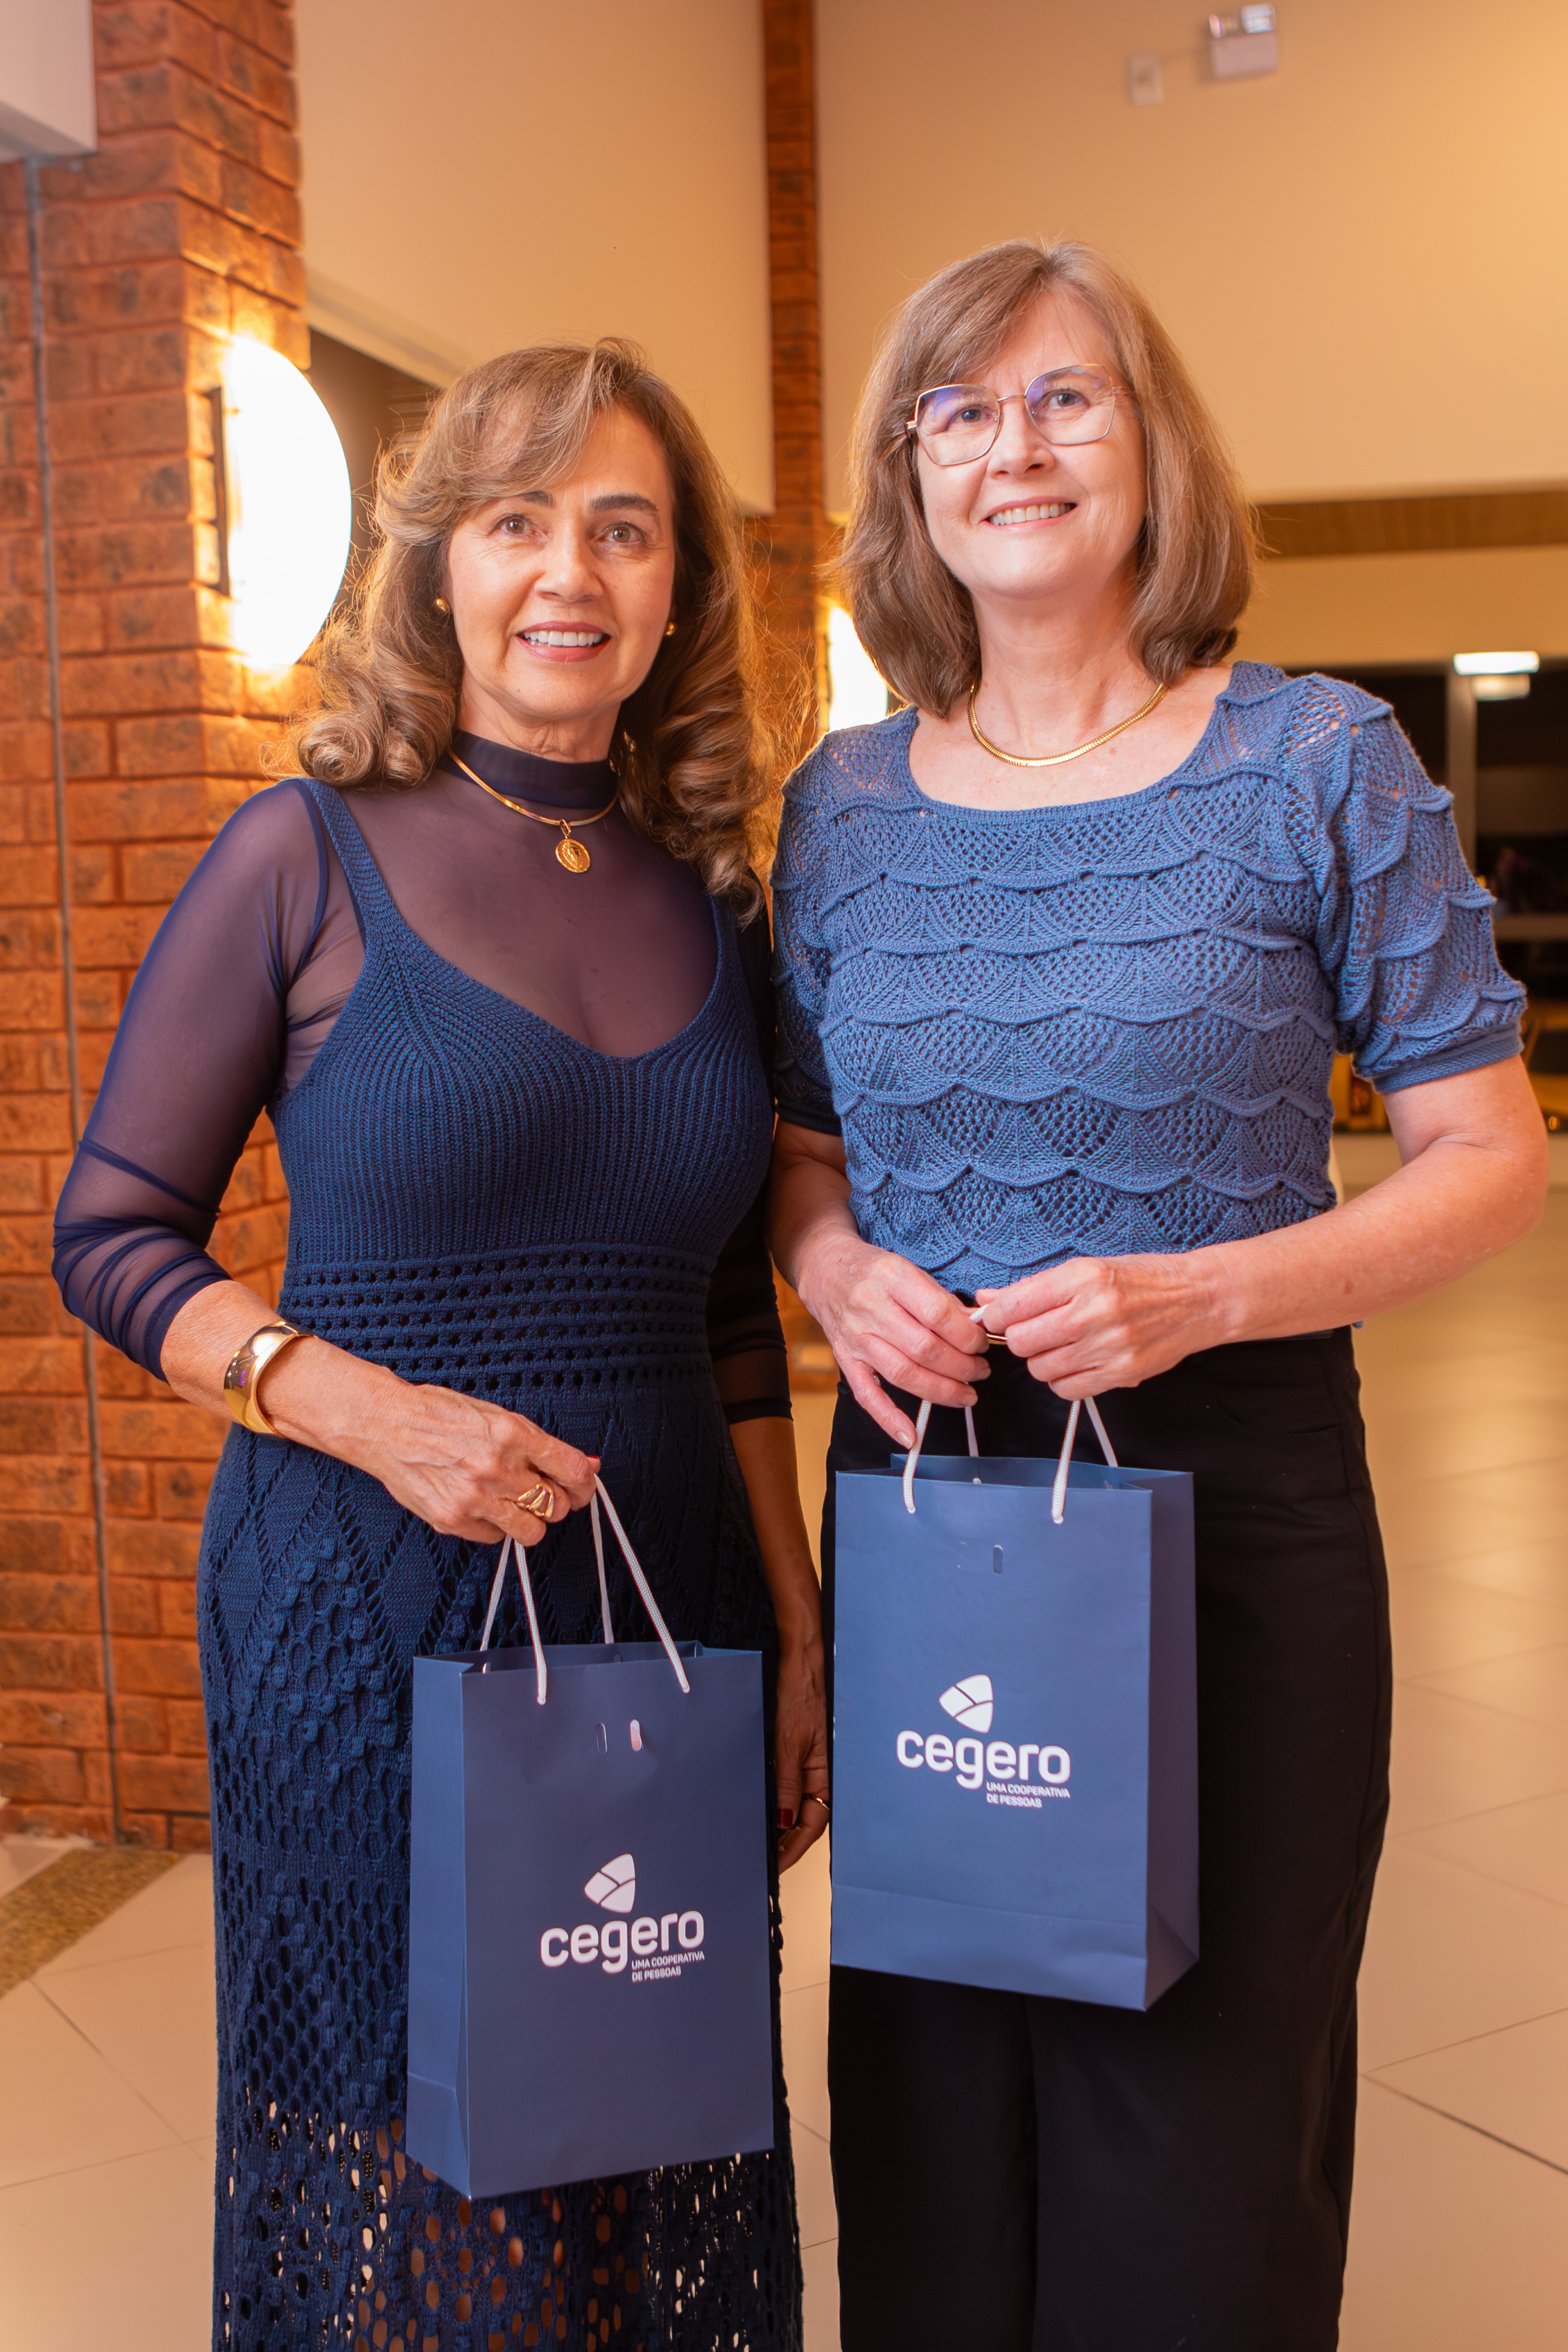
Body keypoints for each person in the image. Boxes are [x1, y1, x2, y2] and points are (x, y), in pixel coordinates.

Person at [767, 239, 1545, 2351]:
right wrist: (835, 1268)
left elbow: (1493, 1158)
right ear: (908, 476)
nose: (1012, 446)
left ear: (1151, 443)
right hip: (933, 1495)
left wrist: (1201, 1294)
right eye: (958, 409)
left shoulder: (1315, 761)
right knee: (935, 2100)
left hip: (1228, 1503)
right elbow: (804, 1152)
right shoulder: (841, 806)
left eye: (1065, 397)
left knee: (1199, 2110)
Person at [53, 339, 825, 2352]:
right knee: (426, 2194)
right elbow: (109, 1235)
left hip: (660, 1609)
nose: (569, 570)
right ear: (440, 566)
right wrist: (372, 1414)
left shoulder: (712, 899)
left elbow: (727, 1304)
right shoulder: (300, 851)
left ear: (677, 588)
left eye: (623, 528)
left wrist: (800, 1618)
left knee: (635, 2134)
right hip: (364, 1606)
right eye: (516, 520)